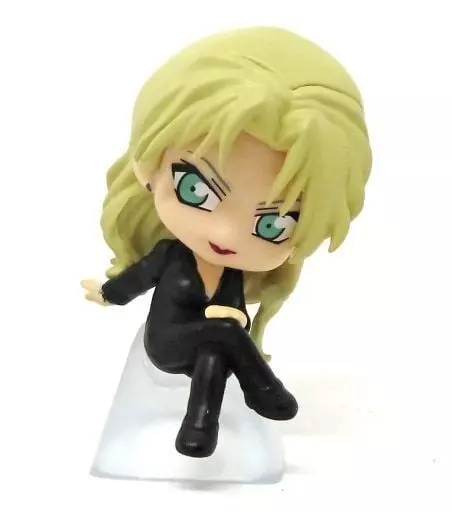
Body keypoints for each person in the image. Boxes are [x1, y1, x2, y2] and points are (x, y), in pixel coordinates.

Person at [82, 26, 372, 458]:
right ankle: (263, 389)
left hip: (209, 343)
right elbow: (137, 280)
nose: (225, 234)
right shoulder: (169, 255)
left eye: (273, 225)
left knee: (218, 350)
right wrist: (107, 293)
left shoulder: (233, 276)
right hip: (166, 342)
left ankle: (199, 429)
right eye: (195, 189)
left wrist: (232, 314)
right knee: (224, 335)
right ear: (148, 166)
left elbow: (235, 313)